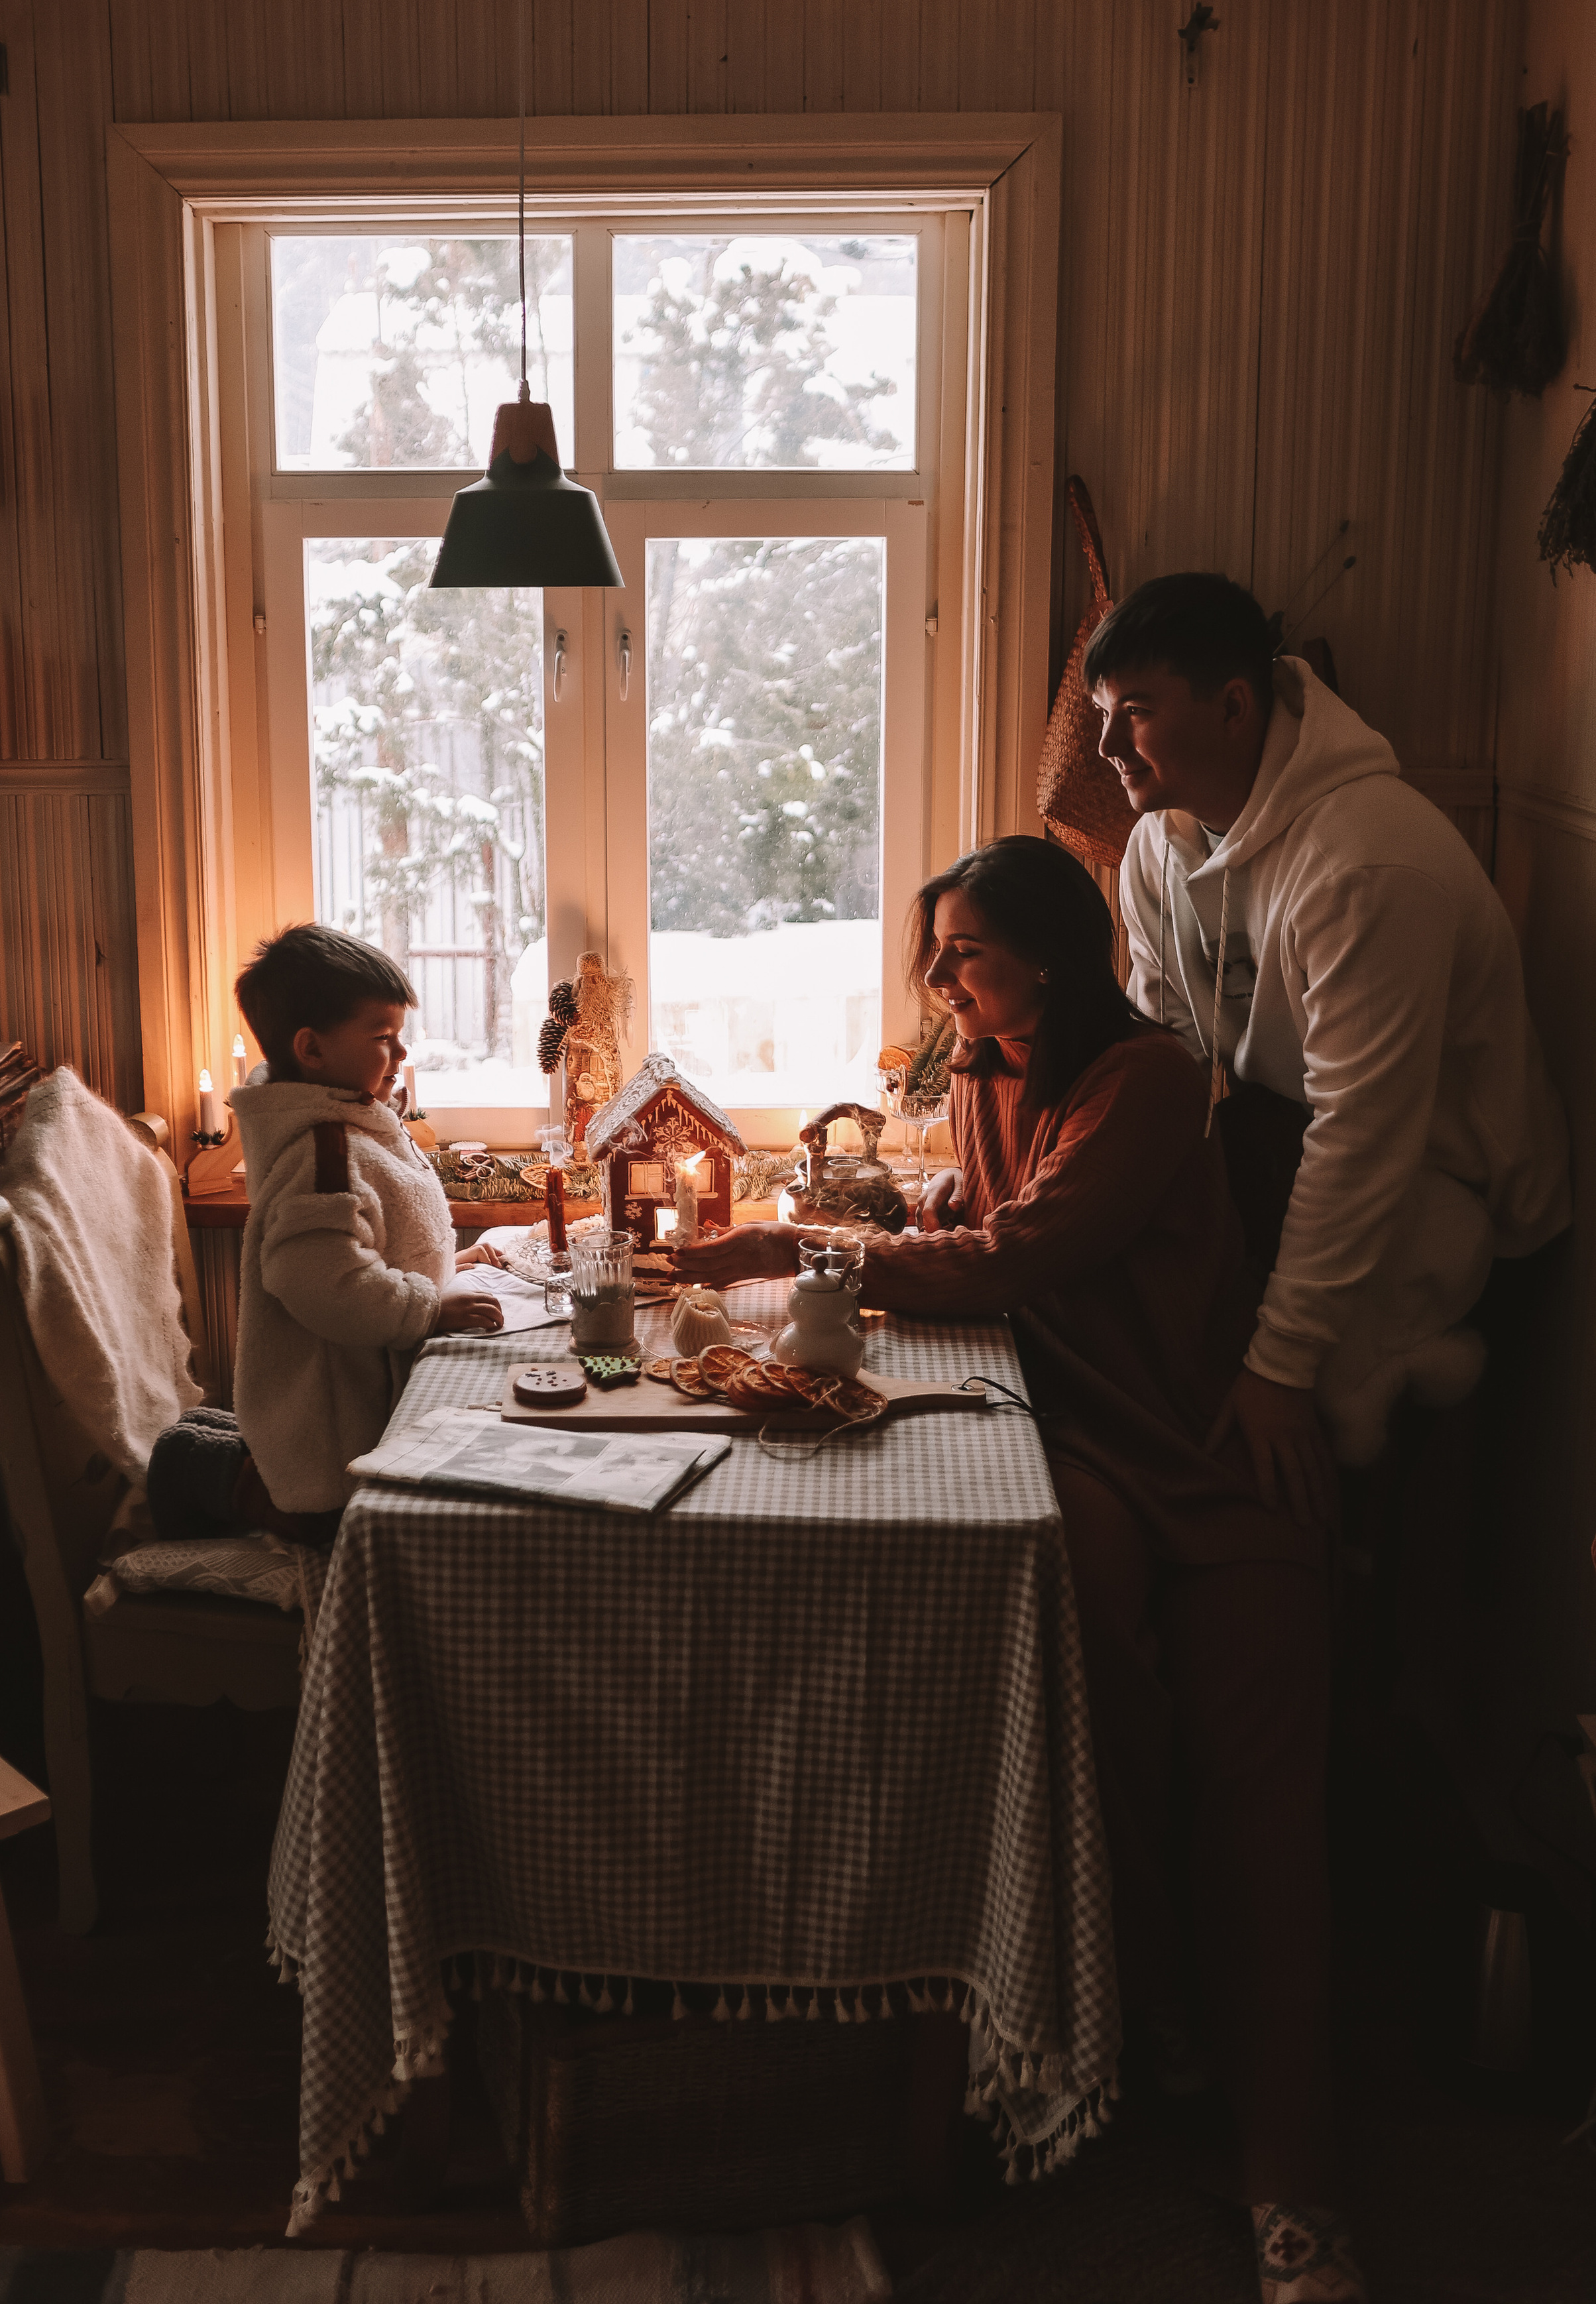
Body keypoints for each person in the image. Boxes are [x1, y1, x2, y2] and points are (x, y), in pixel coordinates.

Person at [672, 837, 1363, 2304]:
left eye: (963, 953)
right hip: (1079, 1448)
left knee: (1260, 1808)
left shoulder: (1148, 1081)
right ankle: (1138, 2035)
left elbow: (1008, 1258)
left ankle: (1291, 2186)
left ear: (1049, 955)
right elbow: (961, 1224)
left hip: (1195, 1451)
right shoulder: (993, 1070)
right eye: (938, 954)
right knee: (1091, 1728)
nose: (937, 980)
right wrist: (875, 1225)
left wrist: (781, 1250)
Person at [1086, 575, 1569, 1509]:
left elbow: (1366, 1133)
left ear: (1233, 706)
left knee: (1285, 1448)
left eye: (1134, 712)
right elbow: (1166, 1050)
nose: (1106, 745)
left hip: (1451, 1195)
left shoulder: (1369, 863)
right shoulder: (1155, 844)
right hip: (1290, 1145)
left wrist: (1282, 1366)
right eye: (1104, 712)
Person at [146, 924, 504, 1548]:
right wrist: (427, 1306)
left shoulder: (355, 1123)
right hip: (334, 1446)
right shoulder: (325, 1153)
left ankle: (221, 1443)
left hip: (352, 1404)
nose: (399, 1057)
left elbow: (379, 1243)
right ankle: (200, 1470)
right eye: (383, 1040)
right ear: (311, 1050)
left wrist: (452, 1266)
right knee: (323, 1516)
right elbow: (323, 1281)